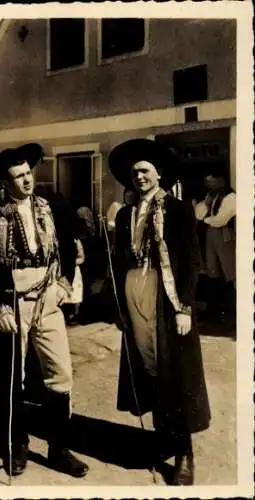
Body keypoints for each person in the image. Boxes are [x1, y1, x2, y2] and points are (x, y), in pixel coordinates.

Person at [0, 143, 89, 478]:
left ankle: (59, 448)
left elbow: (68, 249)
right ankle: (17, 445)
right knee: (13, 379)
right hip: (12, 303)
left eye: (28, 173)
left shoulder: (52, 206)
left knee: (61, 375)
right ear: (5, 182)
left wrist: (64, 286)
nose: (26, 181)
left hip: (49, 300)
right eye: (17, 176)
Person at [109, 138, 210, 486]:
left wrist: (184, 307)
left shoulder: (179, 210)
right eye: (134, 172)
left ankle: (184, 452)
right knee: (147, 363)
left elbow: (192, 263)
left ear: (159, 174)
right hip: (134, 289)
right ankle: (161, 435)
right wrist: (120, 307)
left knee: (175, 369)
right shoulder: (125, 214)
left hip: (166, 295)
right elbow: (120, 259)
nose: (139, 177)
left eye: (145, 171)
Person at [194, 169, 236, 320]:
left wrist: (206, 220)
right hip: (211, 234)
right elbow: (198, 213)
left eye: (212, 182)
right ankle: (215, 308)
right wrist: (205, 204)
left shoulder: (230, 197)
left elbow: (220, 220)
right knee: (212, 269)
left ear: (221, 181)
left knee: (228, 271)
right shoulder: (211, 196)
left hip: (224, 234)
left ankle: (231, 309)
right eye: (207, 183)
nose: (209, 185)